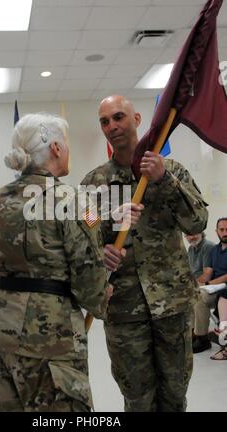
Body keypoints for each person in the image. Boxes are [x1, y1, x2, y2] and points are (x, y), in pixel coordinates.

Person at [81, 95, 208, 412]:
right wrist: (103, 250)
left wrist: (165, 180)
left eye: (119, 117)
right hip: (124, 311)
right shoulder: (93, 185)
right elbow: (82, 240)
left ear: (137, 120)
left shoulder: (171, 171)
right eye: (105, 121)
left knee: (175, 394)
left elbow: (197, 221)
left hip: (172, 304)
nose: (112, 126)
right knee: (137, 398)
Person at [0, 112, 114, 412]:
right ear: (55, 148)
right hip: (50, 335)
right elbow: (89, 271)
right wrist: (100, 300)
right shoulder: (74, 199)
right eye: (65, 143)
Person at [194, 217, 227, 354]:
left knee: (201, 294)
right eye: (222, 229)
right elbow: (209, 272)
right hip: (215, 289)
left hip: (224, 287)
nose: (225, 232)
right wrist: (198, 283)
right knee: (195, 294)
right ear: (217, 231)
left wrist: (208, 283)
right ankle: (200, 336)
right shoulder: (214, 250)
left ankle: (205, 338)